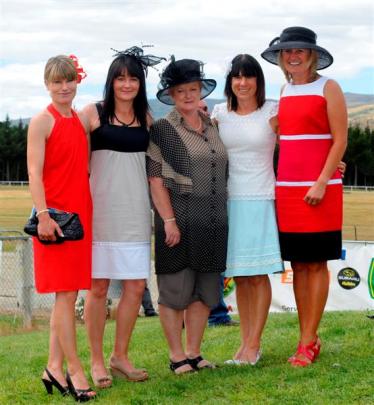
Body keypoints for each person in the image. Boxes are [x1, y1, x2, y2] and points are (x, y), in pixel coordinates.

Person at [261, 26, 347, 366]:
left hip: (320, 190)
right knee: (298, 264)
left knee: (316, 263)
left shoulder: (330, 87)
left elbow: (339, 140)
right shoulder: (283, 89)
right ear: (281, 58)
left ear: (313, 55)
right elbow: (290, 138)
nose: (293, 56)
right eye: (286, 51)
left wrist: (323, 180)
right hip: (288, 192)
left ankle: (309, 340)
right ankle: (305, 337)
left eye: (299, 50)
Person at [83, 46, 165, 386]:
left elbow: (159, 170)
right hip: (99, 212)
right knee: (98, 287)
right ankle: (97, 361)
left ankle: (120, 355)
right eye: (120, 78)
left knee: (135, 286)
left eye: (133, 78)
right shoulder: (92, 114)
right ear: (111, 82)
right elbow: (68, 157)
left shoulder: (147, 119)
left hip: (134, 213)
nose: (127, 84)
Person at [147, 57, 228, 374]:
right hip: (177, 220)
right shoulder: (163, 130)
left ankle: (194, 352)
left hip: (213, 220)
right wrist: (168, 220)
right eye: (181, 91)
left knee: (205, 291)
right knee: (175, 291)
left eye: (193, 89)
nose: (188, 96)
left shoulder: (214, 126)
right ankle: (176, 355)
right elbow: (155, 178)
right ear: (172, 94)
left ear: (201, 91)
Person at [27, 55, 96, 401]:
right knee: (65, 295)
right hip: (54, 220)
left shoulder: (81, 120)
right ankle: (74, 370)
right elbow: (34, 174)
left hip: (81, 215)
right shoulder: (41, 122)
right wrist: (43, 216)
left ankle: (53, 367)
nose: (64, 87)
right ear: (47, 85)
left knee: (67, 296)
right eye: (57, 82)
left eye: (69, 80)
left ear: (77, 81)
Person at [211, 54, 284, 365]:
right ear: (230, 82)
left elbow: (296, 144)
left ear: (258, 80)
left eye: (248, 76)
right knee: (240, 276)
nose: (242, 83)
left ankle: (254, 344)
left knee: (257, 276)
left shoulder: (272, 111)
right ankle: (243, 345)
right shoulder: (218, 114)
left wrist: (330, 164)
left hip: (262, 198)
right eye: (236, 77)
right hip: (231, 201)